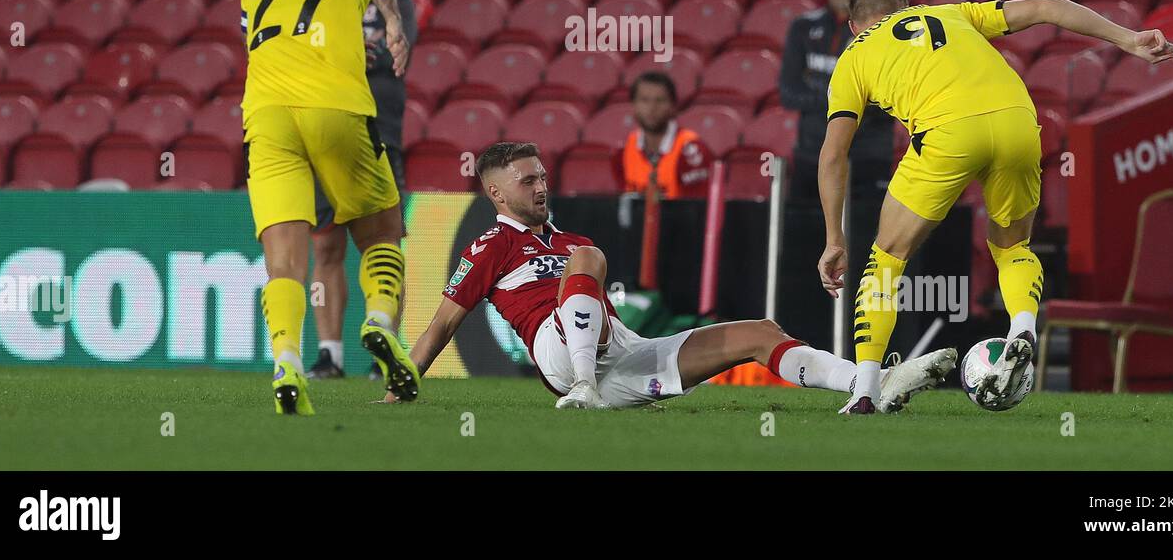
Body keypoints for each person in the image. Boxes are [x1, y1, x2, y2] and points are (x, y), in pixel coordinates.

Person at [816, 0, 1173, 414]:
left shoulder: (854, 55)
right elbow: (1049, 4)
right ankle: (1023, 327)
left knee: (887, 258)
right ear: (908, 5)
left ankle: (865, 392)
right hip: (1017, 120)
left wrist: (834, 238)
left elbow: (834, 154)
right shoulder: (950, 13)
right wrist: (1128, 39)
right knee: (1012, 247)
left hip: (948, 130)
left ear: (854, 25)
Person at [390, 142, 955, 411]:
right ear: (495, 192)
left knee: (759, 332)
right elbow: (441, 324)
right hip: (564, 361)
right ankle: (583, 388)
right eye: (525, 181)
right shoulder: (494, 243)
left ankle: (867, 388)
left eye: (542, 176)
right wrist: (402, 386)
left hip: (621, 358)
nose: (540, 187)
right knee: (590, 259)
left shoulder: (567, 239)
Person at [237, 0, 418, 415]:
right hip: (334, 104)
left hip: (265, 114)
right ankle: (381, 321)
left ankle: (288, 361)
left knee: (284, 258)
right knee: (383, 229)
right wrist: (389, 17)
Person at [307, 0, 417, 380]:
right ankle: (329, 355)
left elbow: (394, 54)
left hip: (380, 135)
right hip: (324, 137)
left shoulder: (397, 1)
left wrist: (338, 55)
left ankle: (384, 348)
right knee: (325, 248)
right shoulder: (321, 1)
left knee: (386, 242)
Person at [778, 0, 892, 199]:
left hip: (868, 158)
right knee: (805, 236)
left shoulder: (884, 29)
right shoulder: (802, 28)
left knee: (868, 237)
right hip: (813, 157)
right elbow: (788, 91)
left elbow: (885, 100)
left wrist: (822, 94)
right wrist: (848, 99)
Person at [616, 71, 712, 198]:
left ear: (673, 106)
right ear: (633, 105)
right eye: (644, 100)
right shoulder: (624, 149)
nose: (652, 107)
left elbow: (697, 210)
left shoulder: (692, 150)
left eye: (660, 101)